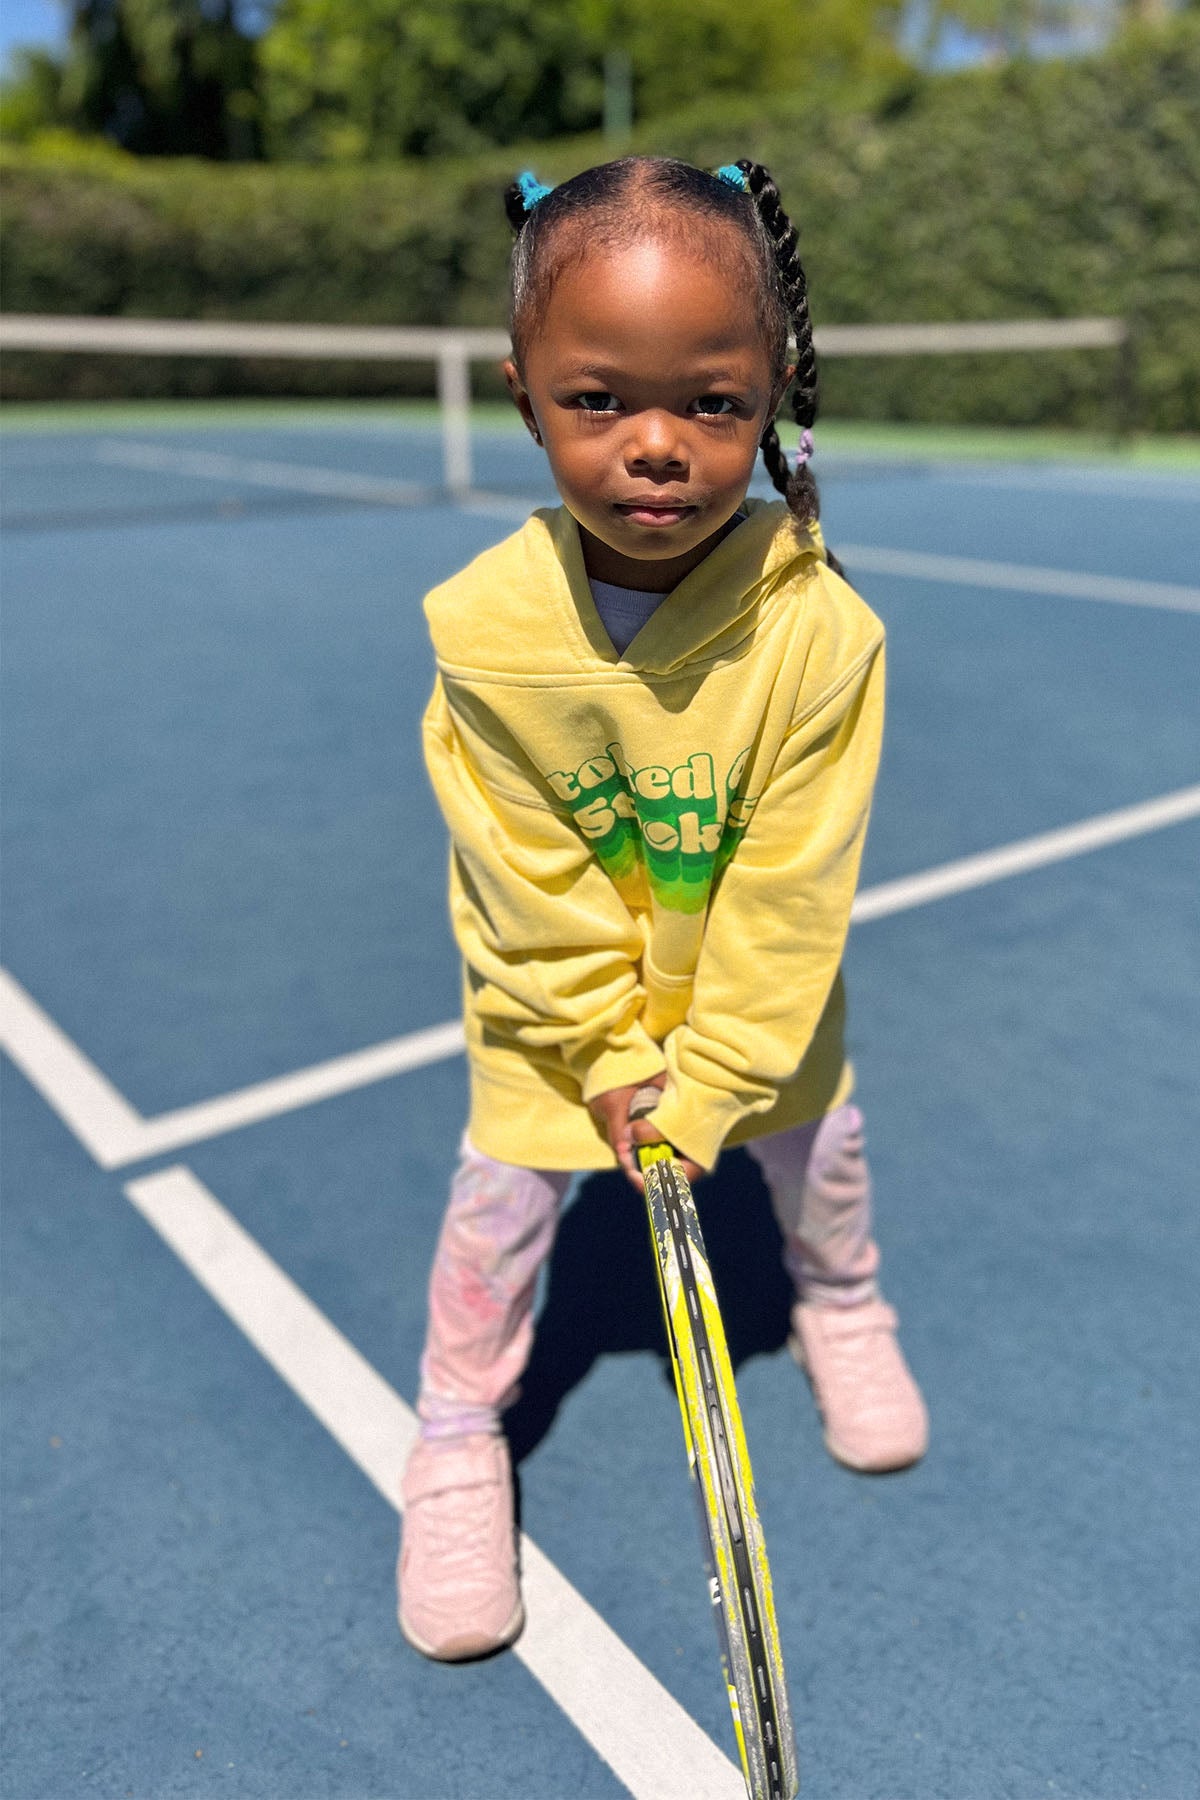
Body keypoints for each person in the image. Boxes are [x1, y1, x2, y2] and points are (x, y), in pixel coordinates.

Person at [398, 156, 928, 1664]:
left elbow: (790, 892)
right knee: (501, 1217)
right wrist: (609, 1056)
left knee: (819, 1159)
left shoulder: (823, 635)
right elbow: (526, 880)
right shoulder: (484, 637)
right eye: (597, 399)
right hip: (553, 1029)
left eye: (711, 403)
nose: (655, 445)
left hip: (761, 1019)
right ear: (524, 396)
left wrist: (715, 1081)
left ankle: (844, 1303)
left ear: (773, 396)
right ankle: (454, 1428)